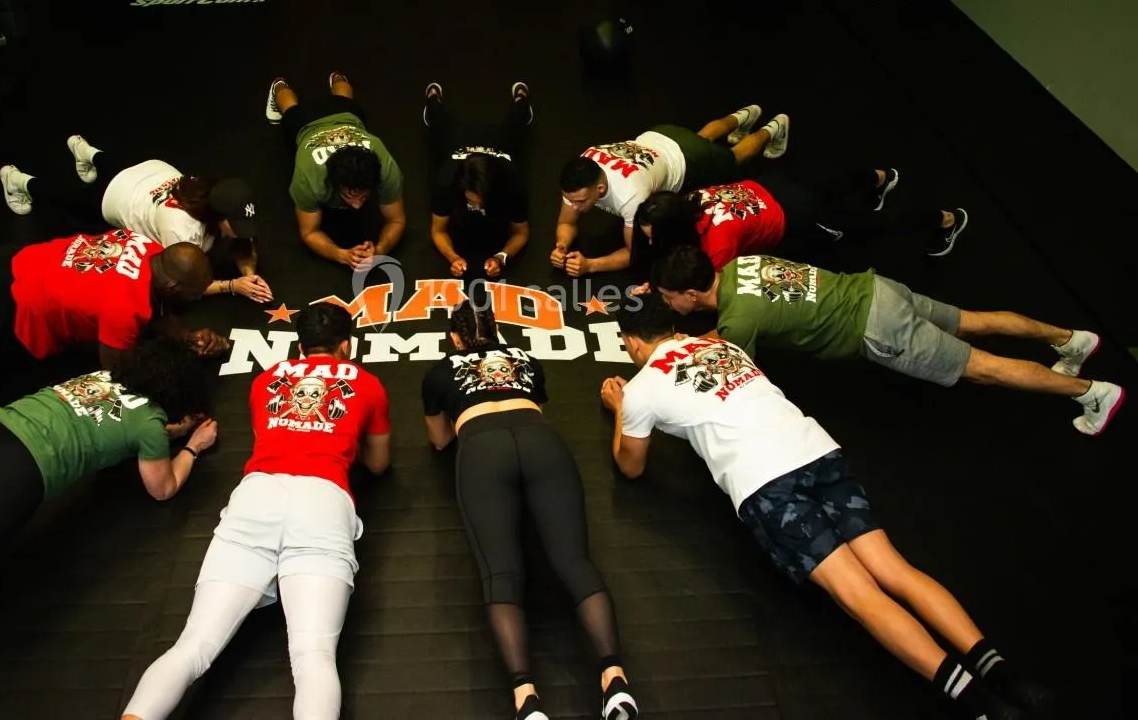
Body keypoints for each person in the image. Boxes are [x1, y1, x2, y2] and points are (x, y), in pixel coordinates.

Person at [599, 295, 1053, 720]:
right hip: (817, 451)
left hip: (766, 481)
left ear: (633, 343)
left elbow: (631, 467)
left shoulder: (644, 388)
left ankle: (980, 704)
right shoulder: (722, 347)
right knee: (895, 570)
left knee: (859, 593)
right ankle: (1003, 674)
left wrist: (621, 408)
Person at [0, 335, 219, 671]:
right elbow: (163, 488)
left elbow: (110, 419)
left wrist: (167, 429)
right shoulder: (150, 425)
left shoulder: (103, 376)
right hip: (11, 476)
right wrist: (192, 446)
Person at [121, 302, 391, 720]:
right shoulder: (368, 384)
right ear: (345, 347)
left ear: (300, 347)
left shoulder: (265, 380)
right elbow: (377, 464)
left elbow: (267, 437)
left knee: (192, 646)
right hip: (323, 501)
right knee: (314, 657)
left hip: (258, 496)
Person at [420, 300, 640, 720]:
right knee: (575, 563)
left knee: (501, 573)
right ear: (496, 330)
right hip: (540, 441)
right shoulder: (526, 359)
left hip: (482, 448)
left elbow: (441, 440)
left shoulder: (440, 370)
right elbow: (539, 409)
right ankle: (615, 680)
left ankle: (527, 699)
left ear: (454, 338)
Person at [650, 244, 1126, 435]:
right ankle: (1071, 340)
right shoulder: (740, 265)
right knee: (974, 320)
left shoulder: (739, 321)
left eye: (670, 298)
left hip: (880, 328)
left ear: (692, 293)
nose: (669, 305)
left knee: (984, 368)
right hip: (876, 289)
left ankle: (1092, 393)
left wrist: (669, 349)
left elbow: (731, 363)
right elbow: (747, 317)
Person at [0, 229, 230, 370]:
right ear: (172, 287)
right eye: (194, 294)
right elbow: (116, 372)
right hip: (0, 305)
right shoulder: (124, 309)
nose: (198, 299)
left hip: (12, 262)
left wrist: (185, 337)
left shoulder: (144, 244)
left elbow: (153, 307)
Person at [0, 135, 272, 303]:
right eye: (234, 225)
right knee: (67, 203)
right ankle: (18, 180)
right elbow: (184, 283)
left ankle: (86, 151)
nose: (239, 230)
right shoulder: (182, 229)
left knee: (115, 168)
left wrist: (249, 274)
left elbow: (244, 242)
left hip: (151, 172)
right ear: (216, 215)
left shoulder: (220, 195)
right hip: (118, 199)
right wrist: (232, 286)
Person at [553, 105, 788, 276]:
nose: (575, 207)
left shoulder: (631, 197)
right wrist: (562, 245)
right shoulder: (581, 174)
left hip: (684, 160)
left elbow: (635, 254)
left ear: (600, 188)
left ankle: (774, 128)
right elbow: (566, 222)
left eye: (581, 202)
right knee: (702, 138)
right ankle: (745, 115)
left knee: (733, 157)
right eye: (571, 200)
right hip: (659, 135)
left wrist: (591, 265)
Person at [635, 167, 968, 272]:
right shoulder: (689, 199)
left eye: (654, 236)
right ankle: (878, 177)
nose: (650, 242)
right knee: (831, 185)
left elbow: (713, 289)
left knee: (869, 226)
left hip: (799, 214)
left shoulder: (717, 246)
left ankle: (945, 220)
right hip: (772, 183)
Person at [265, 72, 406, 270]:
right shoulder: (309, 177)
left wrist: (380, 250)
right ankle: (279, 86)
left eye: (363, 196)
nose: (357, 206)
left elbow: (397, 220)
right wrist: (342, 255)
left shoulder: (387, 169)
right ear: (334, 182)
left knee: (344, 101)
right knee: (289, 109)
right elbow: (309, 232)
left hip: (346, 115)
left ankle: (338, 79)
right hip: (304, 123)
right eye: (349, 195)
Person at [425, 81, 532, 281]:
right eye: (471, 200)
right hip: (457, 142)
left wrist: (501, 257)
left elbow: (521, 233)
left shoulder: (512, 183)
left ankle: (521, 97)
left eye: (481, 201)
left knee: (515, 125)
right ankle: (433, 97)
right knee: (438, 126)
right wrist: (452, 257)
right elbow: (438, 230)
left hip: (498, 142)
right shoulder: (446, 181)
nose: (476, 207)